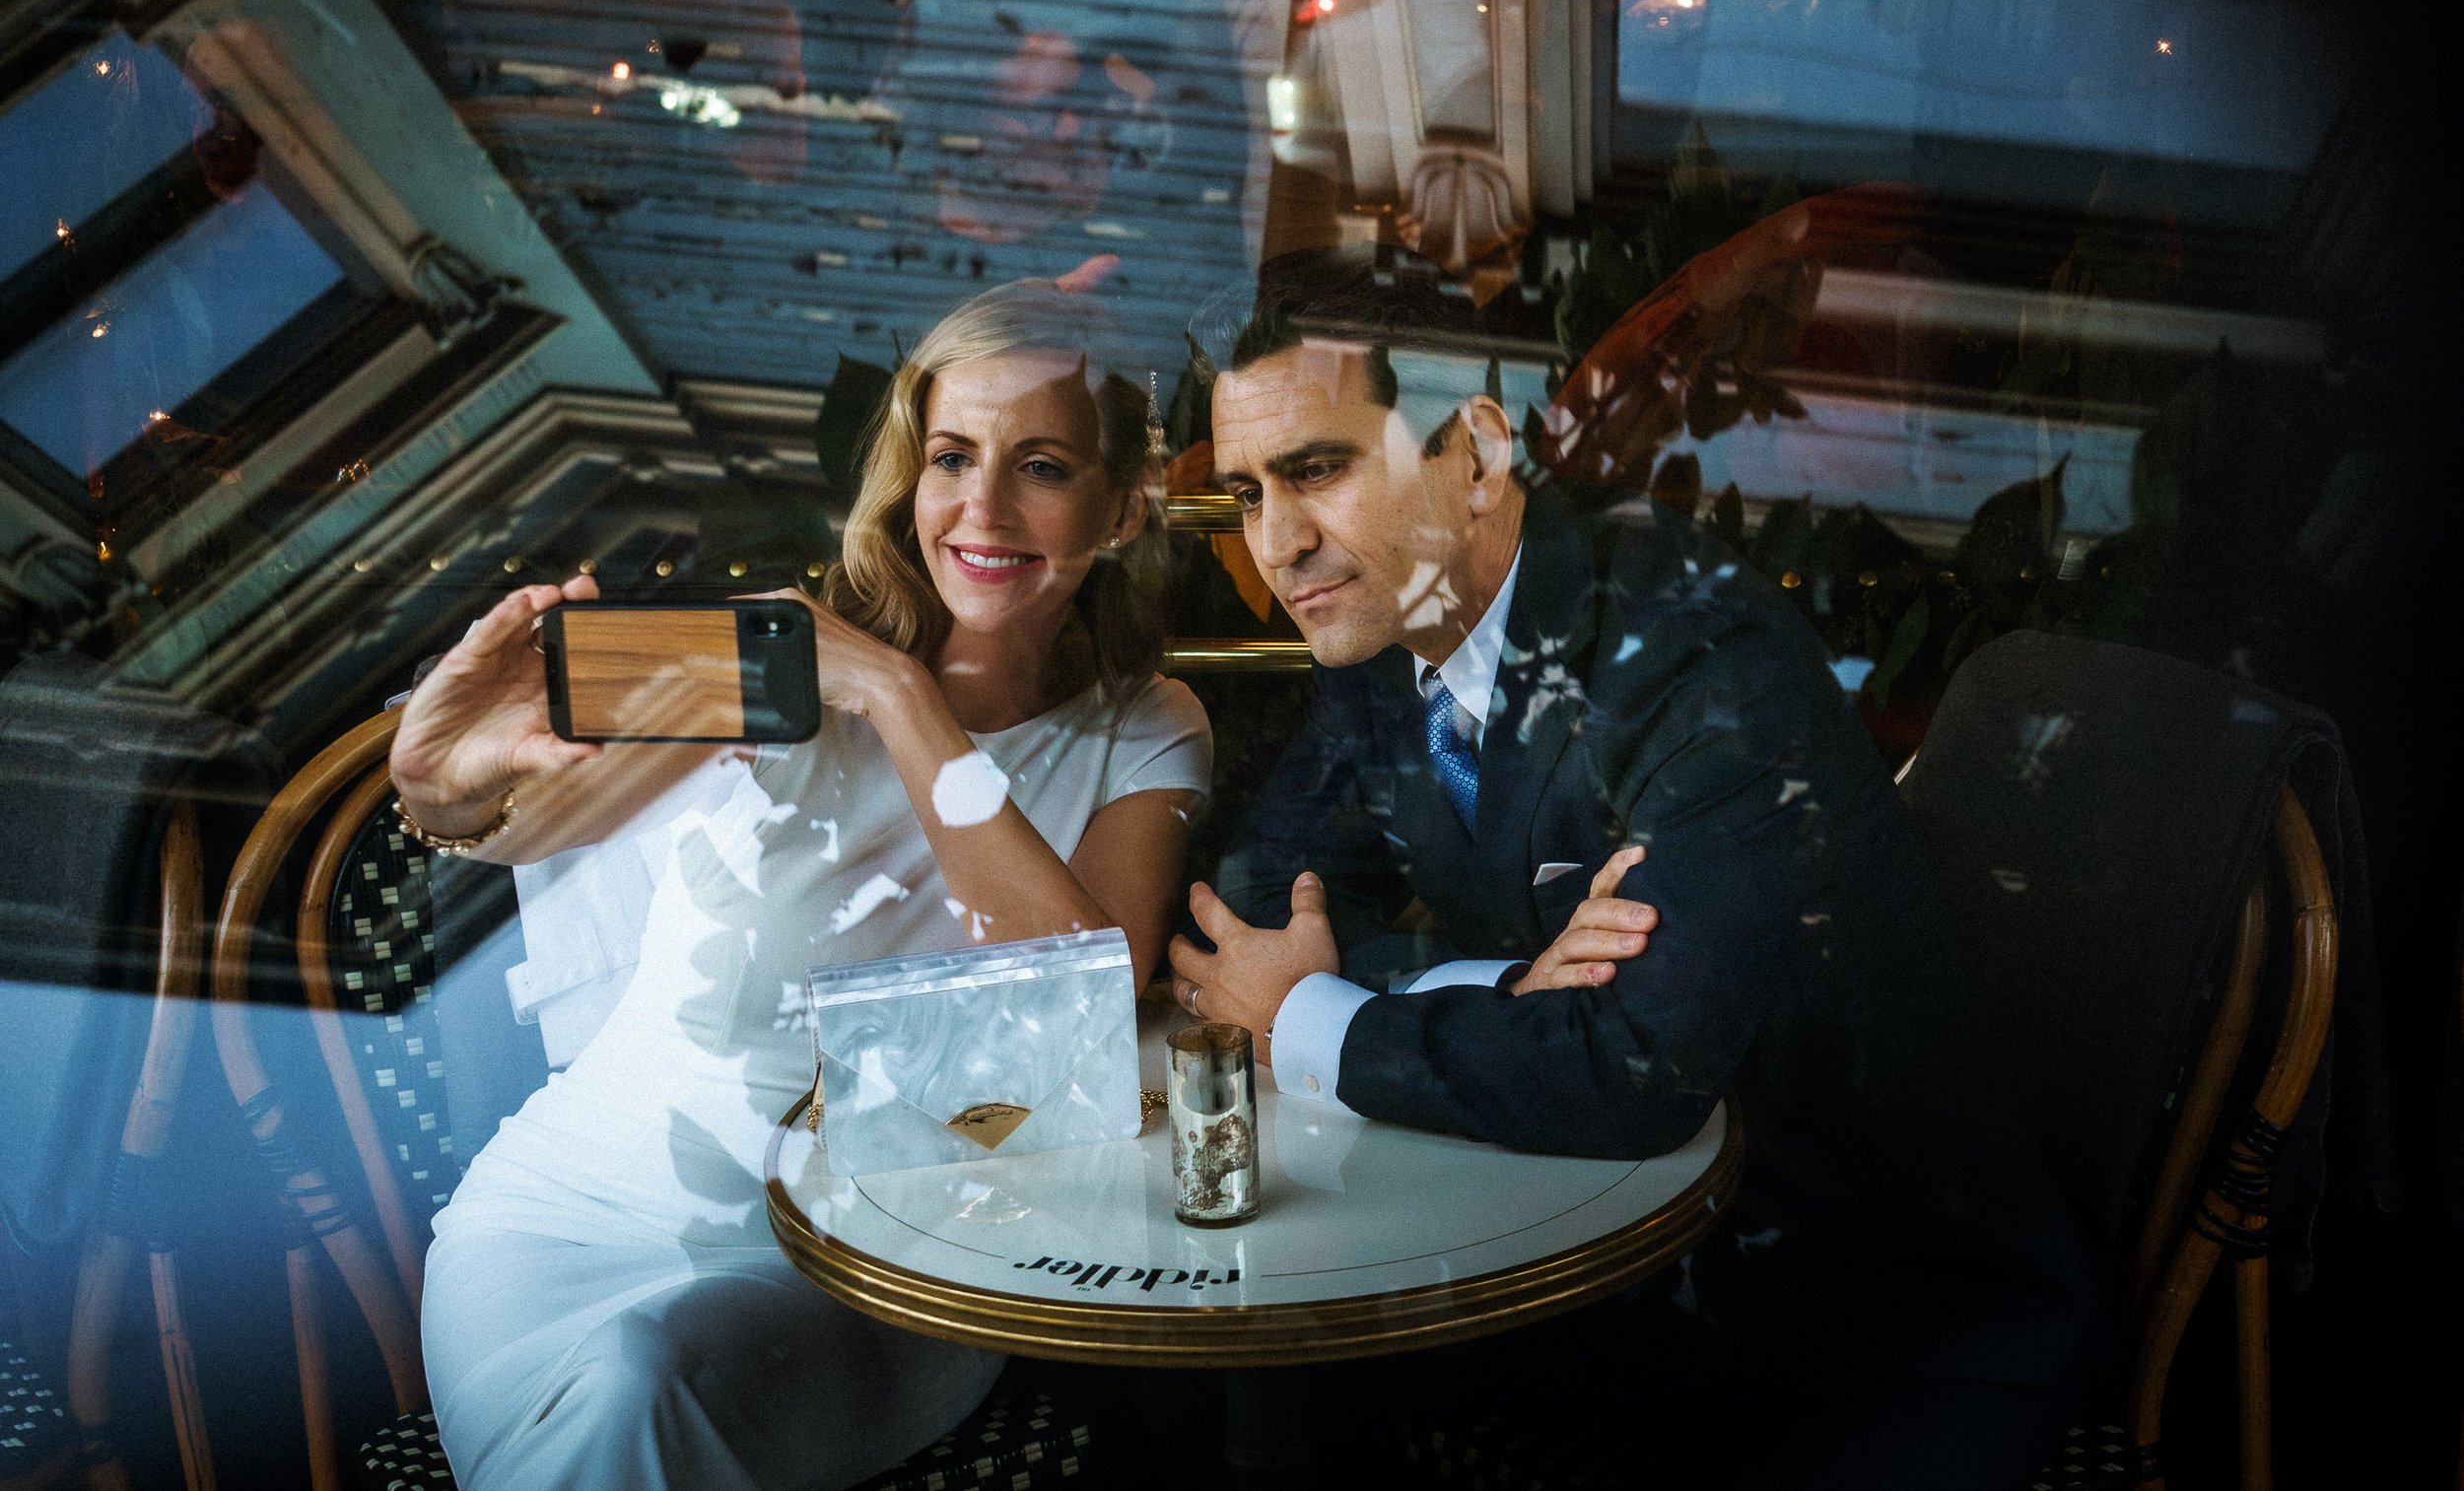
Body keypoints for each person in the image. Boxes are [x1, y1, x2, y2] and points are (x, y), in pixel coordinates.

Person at [1164, 273, 2108, 1488]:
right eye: (1249, 491)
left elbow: (1634, 1069)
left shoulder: (1692, 653)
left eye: (1318, 469)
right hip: (1593, 1257)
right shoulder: (1387, 623)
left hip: (1867, 1314)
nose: (1276, 541)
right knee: (1201, 1406)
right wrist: (1502, 984)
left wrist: (1311, 1016)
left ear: (1478, 455)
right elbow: (1249, 907)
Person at [395, 281, 1212, 1491]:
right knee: (621, 1372)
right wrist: (437, 787)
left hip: (860, 1261)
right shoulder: (774, 661)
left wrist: (898, 694)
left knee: (641, 1376)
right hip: (556, 1223)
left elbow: (1072, 997)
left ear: (1122, 505)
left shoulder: (1141, 729)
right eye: (951, 457)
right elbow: (532, 825)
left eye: (1040, 465)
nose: (981, 506)